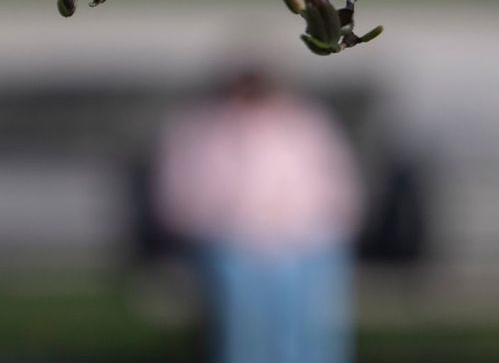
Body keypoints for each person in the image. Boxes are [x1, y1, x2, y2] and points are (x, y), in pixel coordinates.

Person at [155, 68, 362, 363]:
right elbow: (181, 200)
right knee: (245, 316)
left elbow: (337, 191)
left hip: (306, 243)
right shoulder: (202, 129)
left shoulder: (306, 124)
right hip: (232, 243)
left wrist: (295, 229)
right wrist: (238, 228)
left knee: (309, 315)